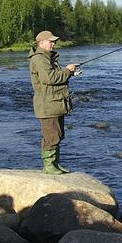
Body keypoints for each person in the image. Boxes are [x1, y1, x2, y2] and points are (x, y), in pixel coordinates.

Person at [28, 30, 78, 175]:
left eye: (53, 41)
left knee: (57, 134)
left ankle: (54, 164)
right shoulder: (39, 59)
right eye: (51, 41)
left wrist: (69, 73)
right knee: (51, 136)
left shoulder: (46, 57)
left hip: (53, 103)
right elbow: (49, 78)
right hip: (47, 105)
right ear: (41, 43)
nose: (54, 44)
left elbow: (52, 77)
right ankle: (49, 166)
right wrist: (67, 71)